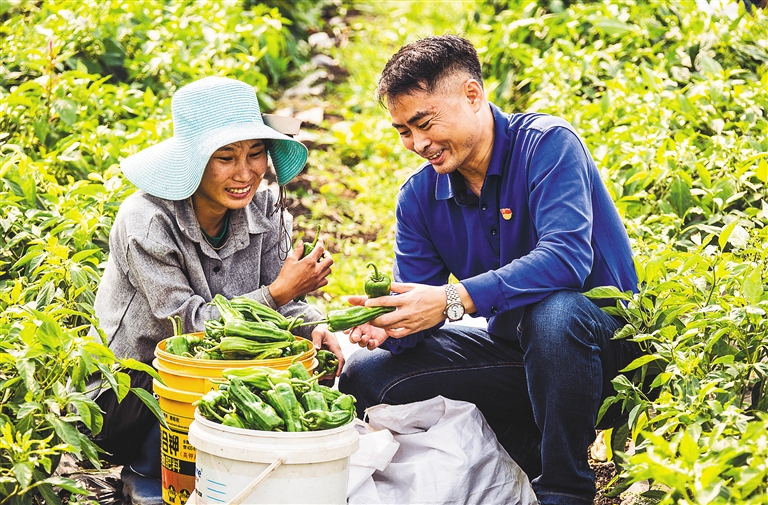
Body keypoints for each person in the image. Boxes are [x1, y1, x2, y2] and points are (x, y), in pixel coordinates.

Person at [338, 35, 641, 505]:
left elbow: (566, 259)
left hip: (607, 357)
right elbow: (421, 314)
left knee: (554, 315)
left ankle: (565, 490)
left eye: (424, 123)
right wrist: (391, 327)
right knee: (367, 376)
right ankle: (524, 455)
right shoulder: (419, 197)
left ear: (472, 95)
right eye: (402, 131)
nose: (417, 144)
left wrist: (452, 301)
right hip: (515, 354)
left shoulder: (547, 146)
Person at [86, 76, 342, 500]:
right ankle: (151, 470)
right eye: (225, 157)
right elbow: (189, 328)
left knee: (298, 373)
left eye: (256, 153)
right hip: (131, 398)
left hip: (221, 375)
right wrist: (279, 293)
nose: (246, 173)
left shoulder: (265, 208)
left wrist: (312, 325)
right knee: (207, 382)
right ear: (192, 161)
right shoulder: (148, 221)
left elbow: (280, 309)